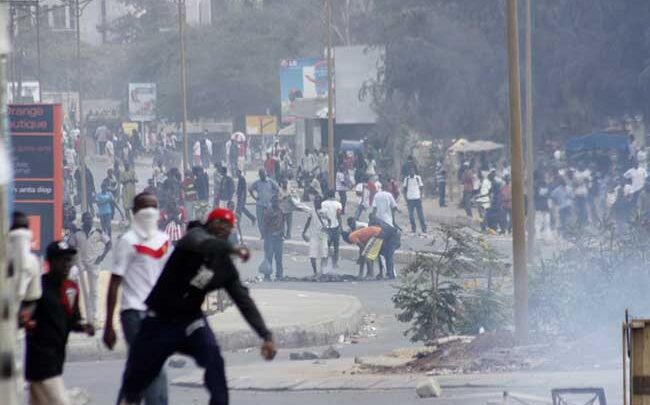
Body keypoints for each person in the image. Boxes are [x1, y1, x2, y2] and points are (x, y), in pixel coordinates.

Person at [117, 208, 276, 405]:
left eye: (228, 226)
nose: (223, 228)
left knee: (214, 360)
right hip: (159, 320)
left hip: (190, 320)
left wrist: (265, 335)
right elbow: (201, 242)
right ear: (209, 223)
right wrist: (232, 249)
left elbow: (244, 301)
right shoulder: (193, 239)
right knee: (136, 380)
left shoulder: (223, 266)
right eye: (219, 223)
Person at [103, 192, 172, 405]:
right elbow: (115, 283)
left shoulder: (164, 242)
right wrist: (108, 325)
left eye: (153, 207)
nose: (149, 212)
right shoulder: (127, 241)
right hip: (133, 312)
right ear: (134, 213)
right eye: (144, 208)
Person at [25, 241, 94, 405]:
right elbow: (26, 313)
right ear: (50, 262)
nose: (66, 264)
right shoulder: (38, 287)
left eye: (69, 259)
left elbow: (72, 320)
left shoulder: (71, 288)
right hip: (40, 360)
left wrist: (83, 327)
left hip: (57, 359)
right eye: (61, 259)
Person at [68, 212, 111, 325]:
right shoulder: (77, 232)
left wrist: (101, 257)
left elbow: (109, 243)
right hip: (80, 263)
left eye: (90, 219)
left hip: (94, 262)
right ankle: (73, 313)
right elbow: (70, 245)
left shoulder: (97, 231)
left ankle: (94, 314)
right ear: (83, 220)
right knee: (73, 286)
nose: (89, 220)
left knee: (94, 291)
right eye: (87, 219)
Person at [302, 196, 329, 276]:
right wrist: (304, 232)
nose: (315, 203)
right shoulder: (311, 211)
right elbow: (308, 221)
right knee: (312, 254)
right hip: (314, 235)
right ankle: (315, 272)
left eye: (317, 201)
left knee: (324, 254)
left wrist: (327, 228)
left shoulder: (325, 211)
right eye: (315, 202)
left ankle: (322, 271)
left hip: (323, 235)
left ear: (320, 202)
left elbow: (329, 221)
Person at [249, 169, 279, 238]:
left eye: (264, 175)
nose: (263, 176)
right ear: (260, 175)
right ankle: (263, 235)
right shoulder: (257, 182)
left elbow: (277, 189)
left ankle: (270, 234)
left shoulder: (270, 182)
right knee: (260, 221)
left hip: (269, 204)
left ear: (265, 174)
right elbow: (250, 189)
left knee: (270, 220)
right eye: (261, 175)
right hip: (260, 204)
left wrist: (274, 197)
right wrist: (255, 198)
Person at [261, 196, 285, 281]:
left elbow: (282, 223)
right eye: (275, 202)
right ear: (272, 202)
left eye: (277, 202)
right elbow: (264, 224)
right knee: (269, 256)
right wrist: (264, 236)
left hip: (278, 236)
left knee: (279, 257)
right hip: (270, 236)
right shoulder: (268, 211)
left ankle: (279, 275)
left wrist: (282, 233)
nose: (276, 203)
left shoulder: (280, 211)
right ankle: (267, 275)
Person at [321, 191, 343, 270]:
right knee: (336, 247)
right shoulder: (338, 204)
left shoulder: (323, 204)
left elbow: (322, 216)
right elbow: (339, 216)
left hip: (326, 228)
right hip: (336, 227)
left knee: (326, 247)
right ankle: (335, 263)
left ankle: (324, 263)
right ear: (334, 195)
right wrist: (341, 227)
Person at [403, 168, 427, 234]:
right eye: (410, 171)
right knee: (411, 215)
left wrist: (421, 197)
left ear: (414, 171)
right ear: (408, 172)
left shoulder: (418, 178)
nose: (411, 172)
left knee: (420, 214)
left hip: (417, 198)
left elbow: (421, 187)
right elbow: (404, 189)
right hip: (410, 199)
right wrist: (405, 199)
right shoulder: (406, 179)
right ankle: (413, 228)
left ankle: (424, 228)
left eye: (412, 171)